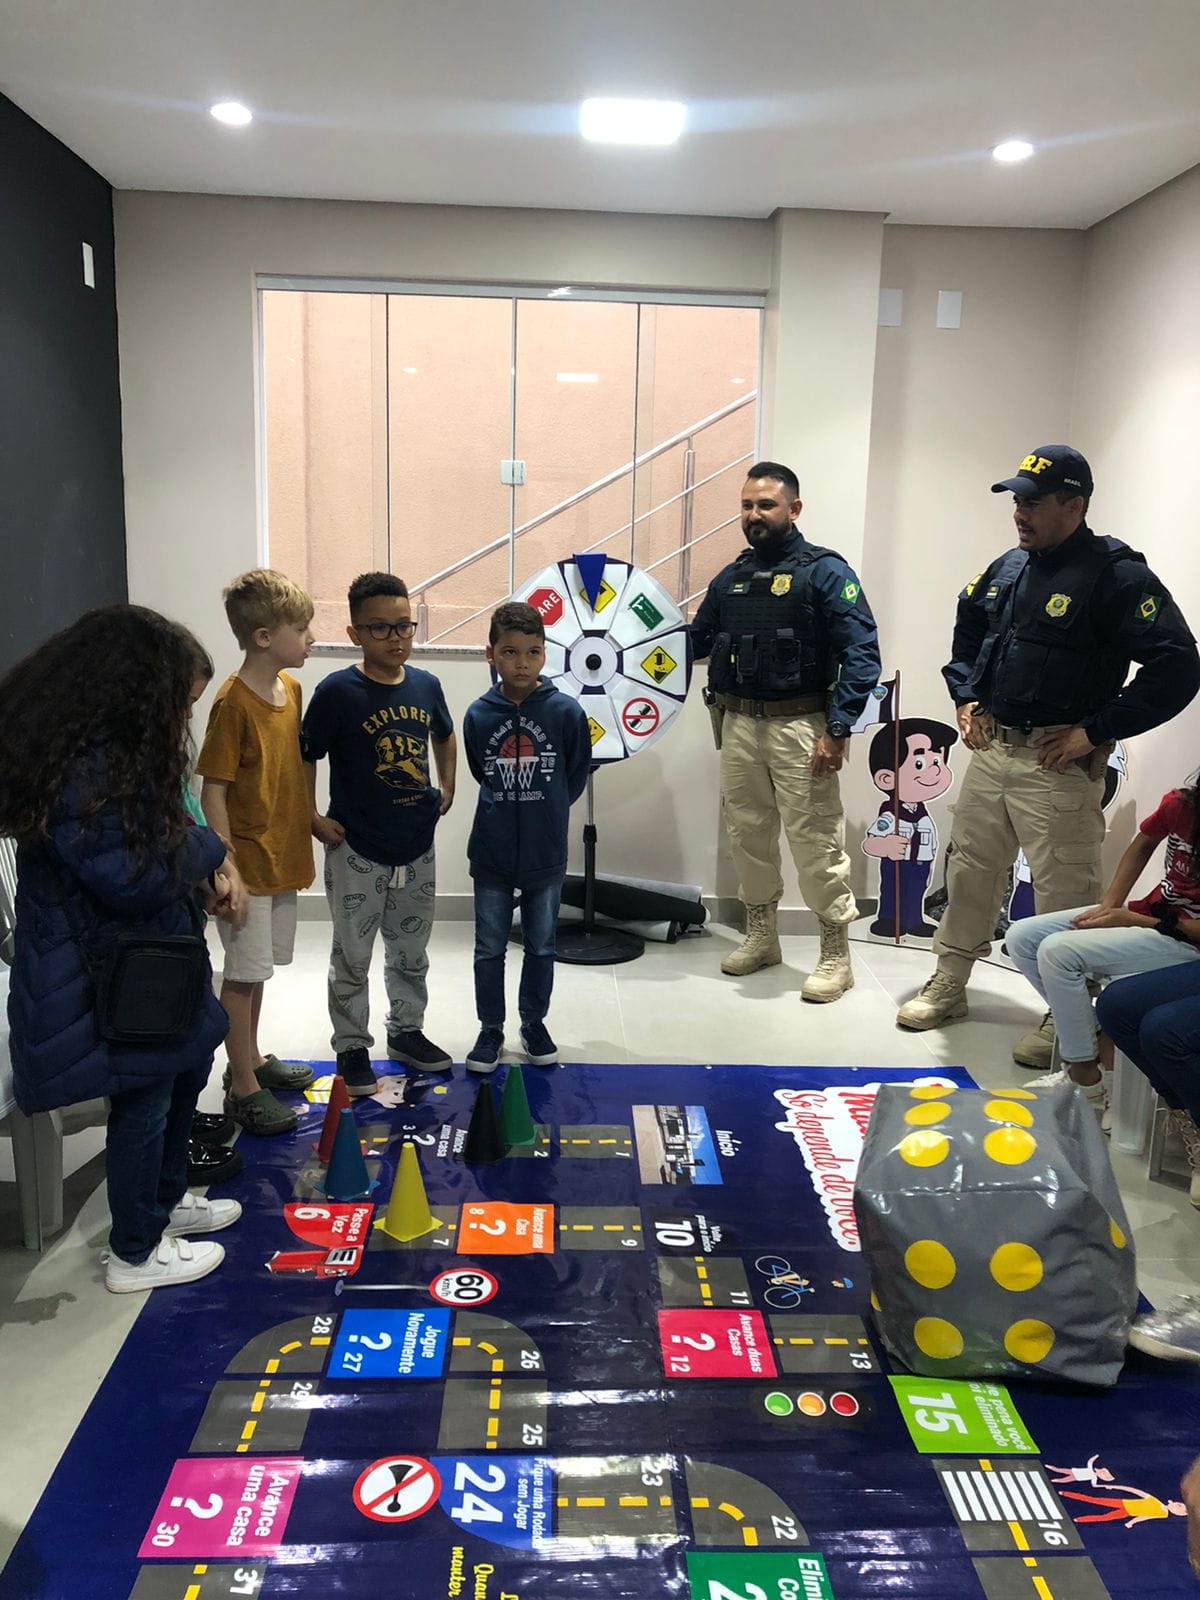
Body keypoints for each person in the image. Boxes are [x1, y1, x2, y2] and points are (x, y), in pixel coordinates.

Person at [897, 445, 1200, 1051]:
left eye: (1033, 502)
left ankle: (1067, 1012)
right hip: (994, 751)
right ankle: (951, 980)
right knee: (970, 872)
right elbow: (969, 626)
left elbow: (1178, 665)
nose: (1020, 512)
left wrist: (1097, 729)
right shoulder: (1009, 566)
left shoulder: (1117, 576)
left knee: (1066, 889)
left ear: (1074, 504)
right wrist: (966, 697)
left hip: (1056, 762)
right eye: (1017, 501)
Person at [0, 606, 248, 1292]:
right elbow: (133, 875)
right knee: (145, 1100)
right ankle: (135, 1251)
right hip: (106, 973)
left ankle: (164, 1207)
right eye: (179, 702)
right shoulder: (83, 771)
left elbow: (153, 846)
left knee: (183, 1072)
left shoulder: (114, 759)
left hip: (144, 962)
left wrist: (196, 870)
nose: (184, 718)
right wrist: (210, 849)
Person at [690, 461, 881, 1002]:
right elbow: (696, 640)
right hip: (738, 723)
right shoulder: (731, 577)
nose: (754, 514)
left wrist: (838, 729)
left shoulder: (825, 572)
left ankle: (835, 955)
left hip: (801, 726)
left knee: (816, 840)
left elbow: (862, 654)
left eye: (766, 505)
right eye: (747, 505)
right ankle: (762, 937)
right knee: (748, 836)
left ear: (793, 509)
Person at [301, 572, 457, 1092]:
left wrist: (448, 786)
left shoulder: (426, 685)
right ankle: (351, 1046)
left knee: (411, 951)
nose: (396, 638)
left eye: (404, 625)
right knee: (352, 954)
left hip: (416, 845)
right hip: (357, 847)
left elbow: (445, 734)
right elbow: (306, 755)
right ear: (355, 633)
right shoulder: (337, 692)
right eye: (380, 628)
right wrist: (311, 816)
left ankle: (406, 1031)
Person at [198, 569, 317, 1134]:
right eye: (302, 628)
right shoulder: (232, 703)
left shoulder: (290, 690)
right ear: (265, 637)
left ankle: (253, 1058)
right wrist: (227, 868)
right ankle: (241, 1084)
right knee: (241, 977)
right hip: (248, 865)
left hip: (282, 856)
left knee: (259, 971)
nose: (311, 638)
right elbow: (213, 790)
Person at [1005, 779, 1200, 1116]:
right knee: (1022, 937)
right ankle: (1095, 1039)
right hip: (1153, 916)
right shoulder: (1182, 805)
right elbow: (1144, 842)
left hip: (1186, 940)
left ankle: (1084, 1075)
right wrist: (1110, 905)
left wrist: (1132, 920)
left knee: (1058, 953)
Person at [462, 600, 591, 1073]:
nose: (522, 663)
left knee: (541, 945)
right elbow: (481, 770)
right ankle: (490, 1028)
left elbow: (573, 777)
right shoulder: (479, 714)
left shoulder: (566, 712)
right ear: (490, 654)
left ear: (544, 655)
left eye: (532, 652)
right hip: (491, 852)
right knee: (488, 947)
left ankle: (533, 1023)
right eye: (510, 652)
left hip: (545, 852)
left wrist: (547, 809)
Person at [862, 717, 957, 938]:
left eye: (937, 762)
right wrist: (885, 846)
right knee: (892, 889)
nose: (935, 771)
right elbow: (870, 842)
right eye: (919, 764)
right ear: (887, 778)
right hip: (897, 863)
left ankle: (914, 920)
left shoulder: (922, 814)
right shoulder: (890, 814)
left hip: (920, 864)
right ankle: (888, 918)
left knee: (916, 891)